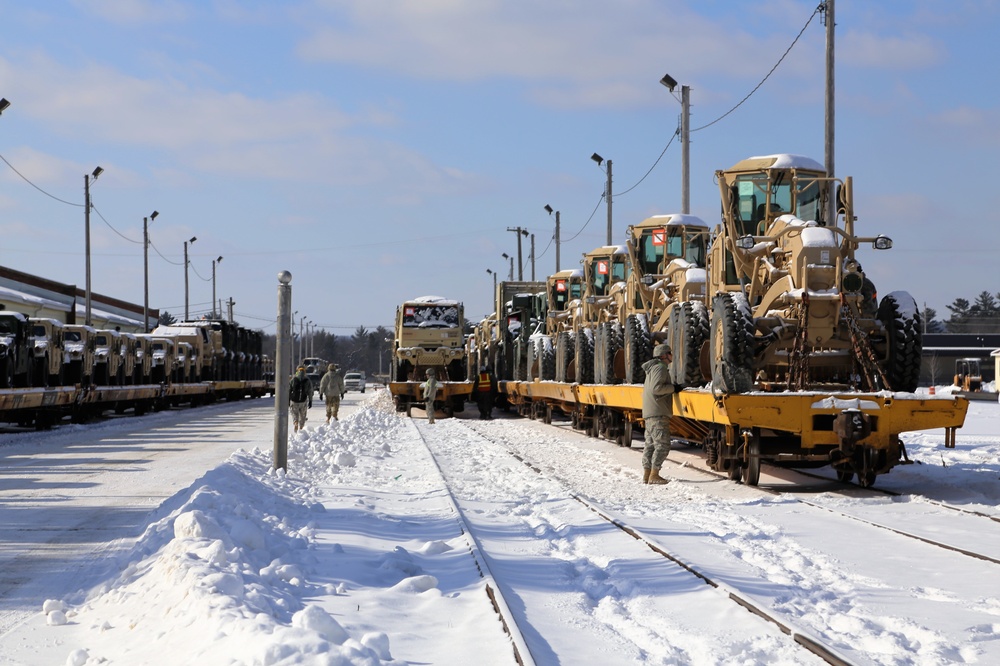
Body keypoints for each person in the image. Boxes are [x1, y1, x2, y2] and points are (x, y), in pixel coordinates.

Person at [640, 343, 681, 485]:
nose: (671, 355)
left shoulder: (652, 369)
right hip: (658, 413)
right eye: (669, 353)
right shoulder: (660, 368)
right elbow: (657, 388)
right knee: (663, 445)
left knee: (650, 444)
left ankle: (647, 474)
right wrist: (674, 388)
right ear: (664, 355)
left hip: (651, 412)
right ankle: (654, 475)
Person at [289, 365, 312, 432]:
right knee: (303, 415)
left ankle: (295, 422)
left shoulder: (293, 379)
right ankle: (301, 427)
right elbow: (310, 391)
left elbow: (289, 389)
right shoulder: (307, 380)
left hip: (294, 400)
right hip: (303, 400)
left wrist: (288, 399)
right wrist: (310, 400)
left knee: (294, 413)